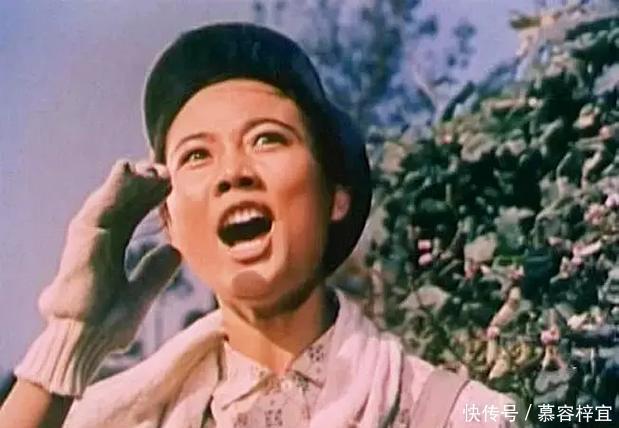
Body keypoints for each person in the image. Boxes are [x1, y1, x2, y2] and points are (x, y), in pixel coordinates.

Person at [0, 23, 520, 427]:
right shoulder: (121, 418)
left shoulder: (458, 412)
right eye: (197, 155)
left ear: (335, 196)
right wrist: (73, 338)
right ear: (170, 221)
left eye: (267, 139)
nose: (233, 173)